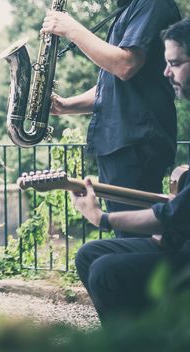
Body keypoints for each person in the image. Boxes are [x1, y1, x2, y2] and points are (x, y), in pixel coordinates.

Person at [43, 0, 181, 237]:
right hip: (122, 141)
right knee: (126, 236)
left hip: (136, 142)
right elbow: (112, 84)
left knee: (133, 238)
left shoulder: (154, 1)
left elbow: (125, 65)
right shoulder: (134, 6)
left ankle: (136, 286)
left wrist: (71, 29)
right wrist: (65, 106)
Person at [73, 18, 190, 324]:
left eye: (175, 63)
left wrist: (101, 218)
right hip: (181, 238)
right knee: (89, 255)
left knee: (105, 270)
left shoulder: (153, 2)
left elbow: (172, 217)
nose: (166, 73)